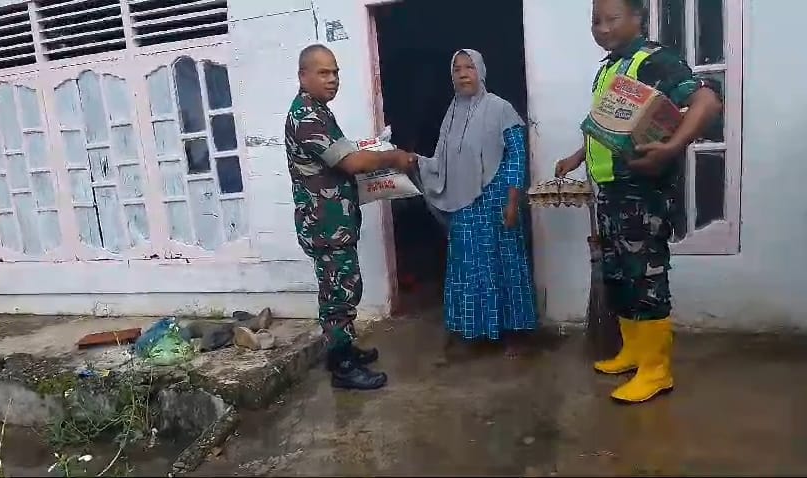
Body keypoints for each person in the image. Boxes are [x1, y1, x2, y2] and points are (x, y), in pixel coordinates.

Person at [555, 0, 722, 403]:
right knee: (621, 276)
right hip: (612, 190)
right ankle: (633, 352)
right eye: (596, 20)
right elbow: (607, 125)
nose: (602, 27)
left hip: (642, 191)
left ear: (638, 19)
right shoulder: (610, 67)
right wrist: (578, 156)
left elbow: (708, 101)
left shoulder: (654, 61)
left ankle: (657, 369)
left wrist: (674, 147)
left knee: (645, 278)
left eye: (612, 18)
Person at [285, 44, 416, 390]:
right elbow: (351, 163)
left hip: (334, 221)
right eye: (323, 73)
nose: (332, 80)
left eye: (336, 72)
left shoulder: (319, 111)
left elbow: (344, 154)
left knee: (343, 288)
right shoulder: (307, 117)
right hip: (324, 223)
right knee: (338, 293)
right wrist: (393, 157)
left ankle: (341, 350)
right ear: (303, 76)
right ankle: (343, 367)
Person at [418, 49, 538, 357]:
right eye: (457, 69)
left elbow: (516, 156)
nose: (462, 73)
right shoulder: (452, 113)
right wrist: (413, 163)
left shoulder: (500, 108)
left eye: (469, 67)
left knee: (504, 264)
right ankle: (476, 330)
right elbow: (442, 160)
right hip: (464, 204)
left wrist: (513, 201)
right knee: (468, 265)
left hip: (497, 200)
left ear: (480, 71)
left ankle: (514, 333)